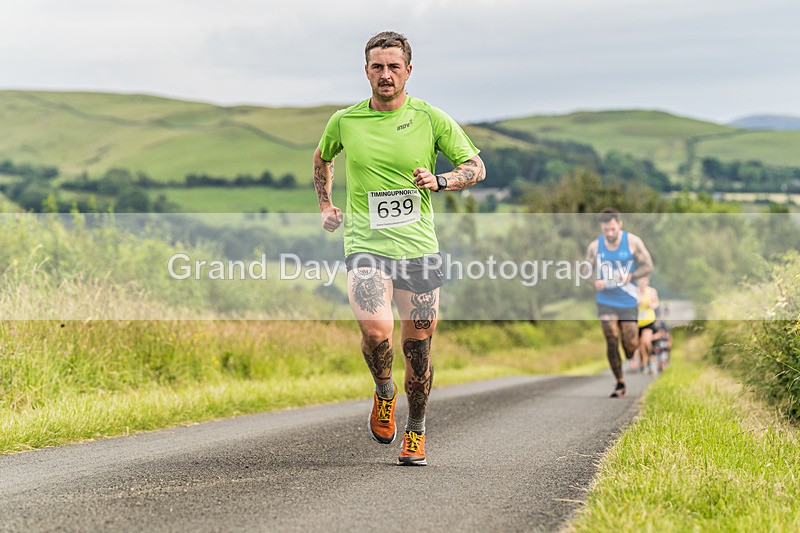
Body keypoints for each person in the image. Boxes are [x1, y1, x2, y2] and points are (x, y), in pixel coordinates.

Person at [313, 31, 486, 466]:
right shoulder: (345, 121)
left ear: (408, 70)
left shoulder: (430, 118)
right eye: (377, 66)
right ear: (366, 71)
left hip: (418, 250)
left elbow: (475, 166)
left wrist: (441, 180)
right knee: (376, 331)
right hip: (367, 245)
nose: (385, 74)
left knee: (419, 350)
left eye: (394, 66)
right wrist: (325, 205)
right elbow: (322, 158)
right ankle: (384, 391)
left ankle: (417, 429)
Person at [585, 208, 653, 398]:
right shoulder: (595, 247)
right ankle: (620, 382)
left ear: (619, 225)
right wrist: (594, 282)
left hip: (628, 299)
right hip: (605, 299)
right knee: (611, 337)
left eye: (613, 229)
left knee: (630, 345)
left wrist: (631, 275)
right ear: (602, 228)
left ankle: (631, 356)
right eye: (606, 230)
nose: (610, 233)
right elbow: (585, 271)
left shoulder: (632, 242)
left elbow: (648, 265)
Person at [636, 276, 660, 374]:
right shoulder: (634, 291)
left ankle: (650, 359)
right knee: (640, 344)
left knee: (646, 342)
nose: (642, 282)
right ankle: (643, 362)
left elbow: (656, 303)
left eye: (644, 280)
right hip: (637, 322)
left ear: (647, 281)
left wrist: (652, 305)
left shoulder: (651, 291)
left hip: (648, 321)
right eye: (641, 280)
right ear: (637, 281)